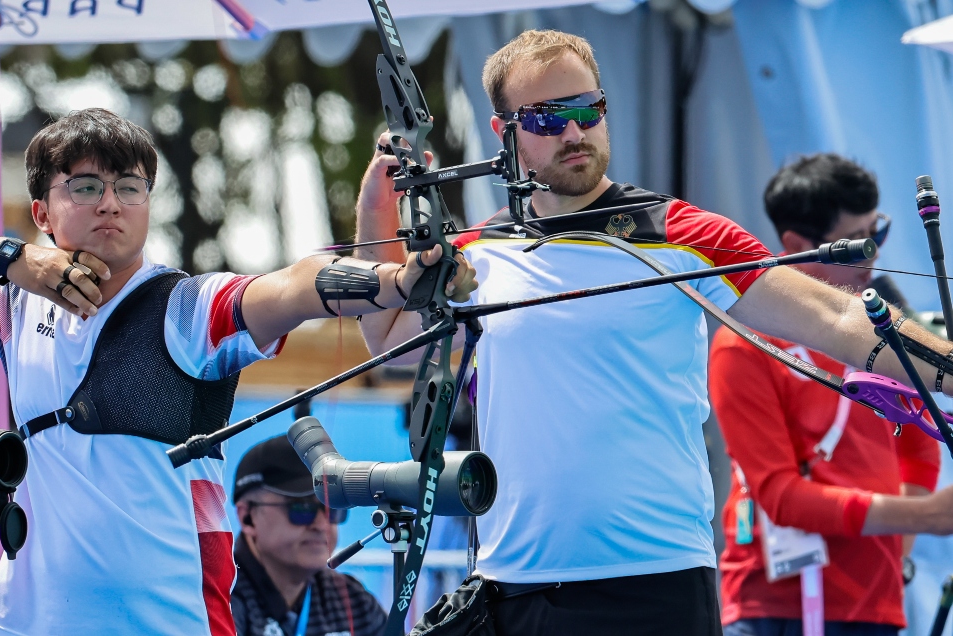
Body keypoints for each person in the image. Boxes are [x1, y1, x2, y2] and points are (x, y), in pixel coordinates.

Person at [354, 30, 953, 634]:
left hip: (656, 580)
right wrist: (377, 204)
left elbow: (839, 318)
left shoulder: (680, 232)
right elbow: (387, 340)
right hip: (515, 584)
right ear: (503, 131)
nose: (573, 132)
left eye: (588, 110)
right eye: (545, 118)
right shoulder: (476, 255)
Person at [0, 108, 474, 635]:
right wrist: (14, 259)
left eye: (129, 187)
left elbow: (290, 289)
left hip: (167, 620)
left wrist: (397, 282)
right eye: (85, 187)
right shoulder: (14, 304)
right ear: (43, 211)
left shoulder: (185, 308)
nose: (110, 203)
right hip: (23, 620)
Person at [712, 154, 944, 636]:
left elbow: (920, 452)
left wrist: (894, 555)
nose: (875, 256)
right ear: (798, 246)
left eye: (878, 234)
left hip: (873, 604)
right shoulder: (746, 341)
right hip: (774, 608)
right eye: (861, 244)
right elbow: (780, 496)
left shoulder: (888, 327)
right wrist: (923, 515)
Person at [231, 436, 386, 636]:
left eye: (333, 508)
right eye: (302, 507)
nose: (322, 525)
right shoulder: (218, 598)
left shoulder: (355, 602)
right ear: (248, 517)